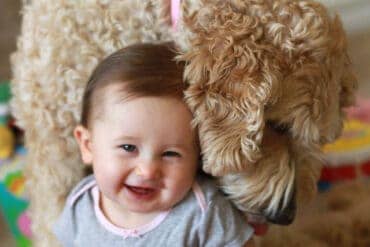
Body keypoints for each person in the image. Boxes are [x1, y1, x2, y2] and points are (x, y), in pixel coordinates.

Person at [53, 42, 255, 246]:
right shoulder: (80, 205)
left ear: (197, 156)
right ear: (88, 145)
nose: (147, 171)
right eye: (128, 148)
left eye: (170, 154)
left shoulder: (203, 213)